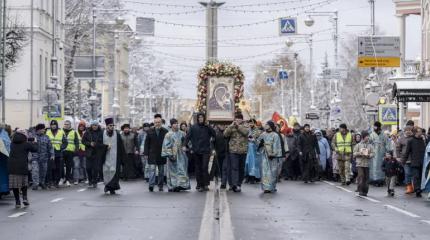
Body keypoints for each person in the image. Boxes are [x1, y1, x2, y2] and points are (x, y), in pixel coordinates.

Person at [185, 113, 216, 192]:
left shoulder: (207, 127)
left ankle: (205, 184)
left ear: (204, 118)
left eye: (202, 117)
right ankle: (199, 184)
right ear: (197, 118)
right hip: (196, 150)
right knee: (198, 168)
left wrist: (208, 126)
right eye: (199, 117)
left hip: (205, 150)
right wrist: (184, 145)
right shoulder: (193, 127)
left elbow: (214, 134)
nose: (201, 118)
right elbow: (188, 136)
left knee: (204, 167)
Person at [8, 130, 38, 208]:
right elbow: (35, 149)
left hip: (12, 166)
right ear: (24, 136)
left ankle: (17, 201)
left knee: (15, 185)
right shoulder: (26, 144)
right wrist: (35, 142)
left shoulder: (12, 144)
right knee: (24, 184)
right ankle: (24, 198)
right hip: (22, 166)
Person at [162, 118, 191, 192]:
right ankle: (173, 186)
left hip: (181, 155)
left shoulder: (182, 133)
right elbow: (166, 145)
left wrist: (187, 147)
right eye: (175, 123)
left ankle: (182, 185)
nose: (176, 125)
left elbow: (188, 142)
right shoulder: (168, 134)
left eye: (177, 123)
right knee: (172, 171)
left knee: (182, 169)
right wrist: (170, 155)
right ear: (171, 125)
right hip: (172, 155)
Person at [223, 113, 249, 192]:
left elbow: (246, 132)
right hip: (233, 150)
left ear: (242, 119)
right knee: (234, 167)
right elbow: (225, 134)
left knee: (241, 168)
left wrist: (238, 126)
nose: (238, 120)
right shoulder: (231, 126)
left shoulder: (246, 125)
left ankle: (239, 184)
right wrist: (231, 126)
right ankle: (234, 184)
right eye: (236, 118)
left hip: (243, 151)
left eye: (239, 119)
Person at [144, 114, 169, 192]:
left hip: (162, 154)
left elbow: (167, 143)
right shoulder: (149, 131)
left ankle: (160, 185)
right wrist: (146, 154)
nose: (157, 124)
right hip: (152, 154)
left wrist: (167, 152)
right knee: (152, 170)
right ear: (154, 123)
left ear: (161, 123)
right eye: (156, 122)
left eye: (159, 122)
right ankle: (151, 185)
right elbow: (146, 143)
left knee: (161, 171)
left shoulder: (165, 131)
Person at [102, 117, 125, 194]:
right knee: (106, 171)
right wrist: (105, 147)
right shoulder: (102, 134)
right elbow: (99, 145)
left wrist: (123, 158)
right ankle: (107, 186)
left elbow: (121, 146)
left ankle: (111, 188)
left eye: (113, 125)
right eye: (110, 125)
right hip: (105, 156)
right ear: (107, 126)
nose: (112, 127)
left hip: (116, 157)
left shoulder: (117, 135)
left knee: (114, 172)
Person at [258, 121, 282, 193]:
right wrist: (260, 143)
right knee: (265, 171)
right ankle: (266, 187)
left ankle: (272, 186)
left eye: (267, 124)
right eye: (265, 124)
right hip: (264, 155)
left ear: (270, 126)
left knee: (273, 171)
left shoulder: (275, 135)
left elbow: (276, 145)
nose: (265, 125)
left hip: (272, 155)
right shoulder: (263, 134)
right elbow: (258, 142)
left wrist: (273, 154)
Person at [30, 124, 54, 190]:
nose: (44, 130)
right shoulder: (32, 137)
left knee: (43, 171)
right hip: (35, 157)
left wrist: (52, 155)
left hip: (44, 157)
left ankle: (42, 182)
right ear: (39, 130)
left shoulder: (46, 137)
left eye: (44, 129)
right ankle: (35, 184)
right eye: (43, 129)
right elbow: (28, 146)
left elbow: (50, 147)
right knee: (35, 171)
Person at [404, 127, 426, 198]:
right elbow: (407, 152)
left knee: (420, 177)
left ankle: (419, 188)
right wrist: (403, 161)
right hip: (414, 162)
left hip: (422, 162)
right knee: (416, 176)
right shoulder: (411, 141)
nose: (421, 133)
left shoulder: (422, 140)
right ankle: (417, 190)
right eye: (419, 132)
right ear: (416, 132)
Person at [82, 121, 104, 188]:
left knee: (96, 169)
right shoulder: (87, 132)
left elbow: (103, 142)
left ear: (98, 126)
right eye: (93, 125)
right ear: (91, 126)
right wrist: (89, 144)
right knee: (88, 168)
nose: (94, 126)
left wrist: (97, 144)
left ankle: (94, 181)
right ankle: (90, 180)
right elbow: (83, 141)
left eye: (96, 125)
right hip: (89, 152)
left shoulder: (101, 133)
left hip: (97, 153)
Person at [46, 120, 68, 188]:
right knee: (51, 168)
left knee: (58, 168)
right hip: (50, 152)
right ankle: (51, 181)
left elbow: (65, 142)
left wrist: (62, 147)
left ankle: (56, 181)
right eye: (52, 125)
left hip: (58, 151)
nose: (53, 126)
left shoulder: (61, 132)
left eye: (54, 125)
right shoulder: (47, 132)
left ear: (56, 125)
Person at [369, 121, 391, 186]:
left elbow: (387, 144)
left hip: (381, 153)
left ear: (379, 127)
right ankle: (373, 179)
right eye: (374, 127)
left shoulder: (384, 135)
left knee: (381, 166)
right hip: (373, 154)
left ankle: (380, 180)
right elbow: (369, 144)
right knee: (373, 166)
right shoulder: (371, 135)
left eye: (375, 127)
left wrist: (387, 152)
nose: (374, 128)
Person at [353, 131, 374, 197]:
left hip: (367, 164)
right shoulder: (358, 145)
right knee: (361, 176)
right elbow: (354, 153)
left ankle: (365, 191)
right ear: (363, 137)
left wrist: (369, 155)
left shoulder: (370, 145)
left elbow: (373, 153)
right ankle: (360, 190)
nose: (368, 137)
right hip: (360, 163)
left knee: (366, 178)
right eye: (367, 136)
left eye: (368, 136)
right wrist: (360, 153)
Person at [244, 119, 262, 184]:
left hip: (254, 149)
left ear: (254, 123)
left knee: (253, 164)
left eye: (252, 123)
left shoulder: (258, 131)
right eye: (249, 123)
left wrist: (253, 139)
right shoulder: (247, 130)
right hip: (247, 149)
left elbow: (259, 140)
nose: (250, 124)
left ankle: (253, 177)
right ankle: (247, 176)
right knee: (247, 163)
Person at [397, 126, 414, 194]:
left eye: (410, 130)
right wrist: (398, 157)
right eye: (407, 130)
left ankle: (414, 186)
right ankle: (409, 187)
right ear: (404, 131)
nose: (408, 131)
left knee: (414, 173)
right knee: (407, 173)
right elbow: (398, 148)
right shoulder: (401, 139)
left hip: (413, 158)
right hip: (405, 159)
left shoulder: (413, 138)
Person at [62, 120, 79, 187]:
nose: (66, 125)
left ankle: (67, 179)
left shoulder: (74, 132)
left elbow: (76, 142)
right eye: (65, 124)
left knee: (69, 166)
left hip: (70, 151)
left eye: (68, 124)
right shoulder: (61, 132)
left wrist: (76, 150)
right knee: (61, 166)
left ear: (70, 125)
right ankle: (62, 178)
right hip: (62, 151)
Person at [0, 124, 11, 197]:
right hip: (3, 158)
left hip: (2, 158)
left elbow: (7, 145)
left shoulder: (4, 135)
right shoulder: (5, 134)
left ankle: (3, 190)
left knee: (2, 175)